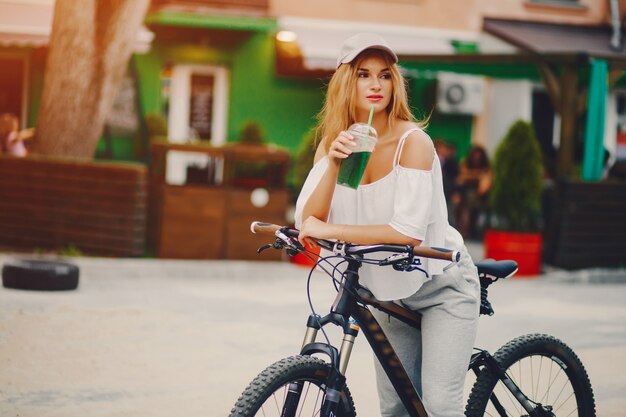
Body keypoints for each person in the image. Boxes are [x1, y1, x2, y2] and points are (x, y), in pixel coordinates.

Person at [294, 33, 479, 417]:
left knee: (441, 405)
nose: (376, 85)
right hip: (388, 291)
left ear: (395, 83)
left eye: (385, 75)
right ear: (347, 82)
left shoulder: (413, 143)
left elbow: (405, 233)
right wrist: (331, 161)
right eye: (364, 74)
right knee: (395, 406)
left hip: (440, 285)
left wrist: (331, 232)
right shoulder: (336, 143)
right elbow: (308, 220)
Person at [452, 145, 491, 239]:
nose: (476, 159)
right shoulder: (465, 163)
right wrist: (478, 175)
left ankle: (464, 230)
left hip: (479, 197)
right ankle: (463, 230)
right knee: (464, 203)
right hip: (464, 195)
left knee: (468, 203)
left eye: (478, 157)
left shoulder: (487, 167)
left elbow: (484, 186)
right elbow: (460, 178)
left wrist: (469, 176)